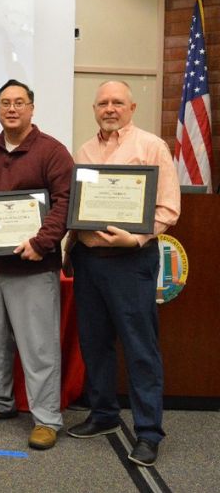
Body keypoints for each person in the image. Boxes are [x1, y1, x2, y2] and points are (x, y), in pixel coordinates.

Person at [66, 81, 181, 467]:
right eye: (103, 103)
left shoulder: (151, 147)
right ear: (94, 108)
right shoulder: (83, 150)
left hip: (132, 261)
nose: (110, 108)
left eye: (117, 102)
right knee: (95, 343)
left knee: (139, 347)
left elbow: (167, 207)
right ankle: (104, 415)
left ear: (131, 107)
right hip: (90, 260)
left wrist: (135, 237)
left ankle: (148, 432)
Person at [0, 79, 74, 450]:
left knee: (39, 349)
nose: (12, 108)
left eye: (19, 102)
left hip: (33, 268)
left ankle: (46, 419)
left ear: (32, 108)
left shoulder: (52, 152)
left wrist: (42, 243)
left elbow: (65, 202)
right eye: (5, 102)